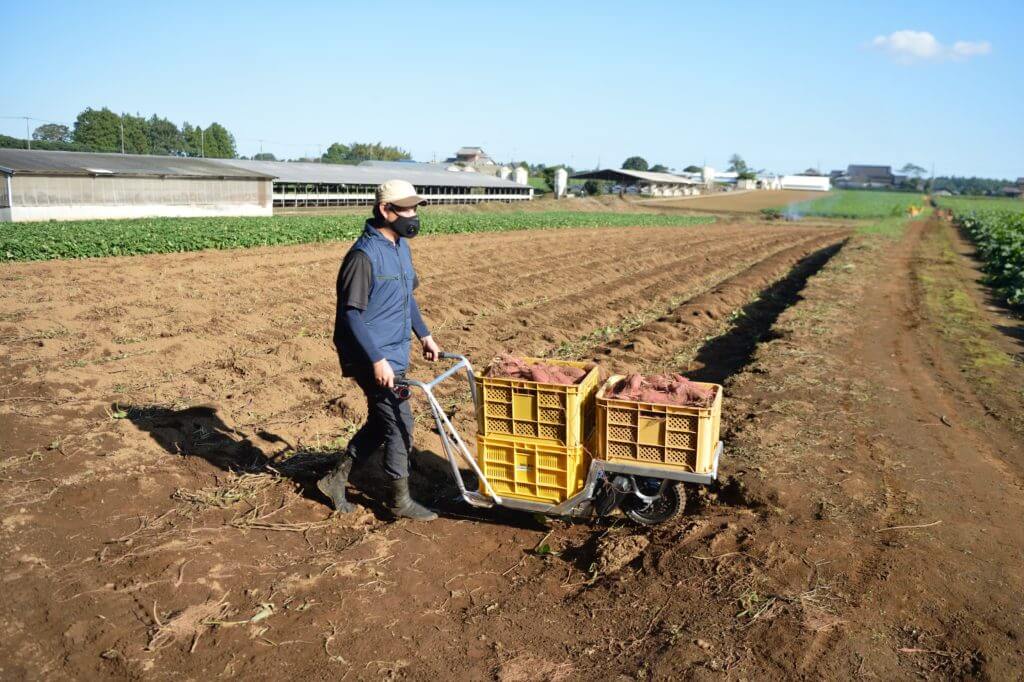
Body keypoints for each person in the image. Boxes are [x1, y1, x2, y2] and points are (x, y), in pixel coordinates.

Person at [318, 179, 441, 521]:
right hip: (370, 355)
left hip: (394, 352)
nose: (413, 215)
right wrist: (376, 360)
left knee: (380, 421)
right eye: (406, 209)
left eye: (415, 209)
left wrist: (425, 335)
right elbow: (351, 315)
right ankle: (399, 501)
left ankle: (334, 479)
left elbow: (406, 297)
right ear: (385, 210)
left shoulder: (400, 247)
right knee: (401, 424)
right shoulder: (363, 256)